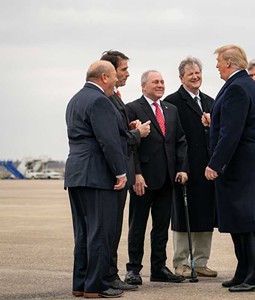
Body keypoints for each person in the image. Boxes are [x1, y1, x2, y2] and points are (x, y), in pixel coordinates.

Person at [205, 45, 255, 292]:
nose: (216, 66)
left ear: (229, 63)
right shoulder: (245, 85)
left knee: (247, 220)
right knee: (239, 220)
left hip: (241, 165)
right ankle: (244, 271)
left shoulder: (238, 87)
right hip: (245, 163)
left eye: (218, 61)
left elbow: (232, 132)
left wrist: (216, 163)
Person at [65, 60, 128, 298]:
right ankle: (96, 286)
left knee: (82, 232)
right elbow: (108, 142)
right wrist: (121, 173)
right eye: (113, 77)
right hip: (97, 175)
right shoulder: (100, 101)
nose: (115, 81)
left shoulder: (75, 100)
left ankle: (80, 284)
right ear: (103, 77)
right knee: (100, 232)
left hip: (76, 174)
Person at [124, 70, 189, 284]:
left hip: (168, 179)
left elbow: (180, 140)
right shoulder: (132, 108)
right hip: (144, 180)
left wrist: (182, 168)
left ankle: (159, 268)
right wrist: (137, 174)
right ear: (143, 86)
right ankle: (133, 269)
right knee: (138, 226)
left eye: (162, 81)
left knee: (161, 227)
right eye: (155, 82)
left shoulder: (171, 110)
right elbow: (129, 146)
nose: (160, 85)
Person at [100, 50, 150, 291]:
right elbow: (113, 139)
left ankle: (111, 274)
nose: (127, 73)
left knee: (115, 227)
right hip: (113, 175)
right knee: (110, 228)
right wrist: (136, 134)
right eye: (124, 70)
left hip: (121, 173)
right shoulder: (105, 99)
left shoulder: (114, 97)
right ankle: (109, 275)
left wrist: (128, 127)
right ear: (109, 72)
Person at [164, 56, 217, 278]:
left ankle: (201, 262)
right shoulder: (172, 102)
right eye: (190, 74)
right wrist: (179, 166)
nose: (195, 77)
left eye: (198, 73)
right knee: (183, 217)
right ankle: (181, 263)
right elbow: (171, 138)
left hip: (207, 170)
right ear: (181, 78)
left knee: (205, 215)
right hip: (184, 169)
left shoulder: (211, 101)